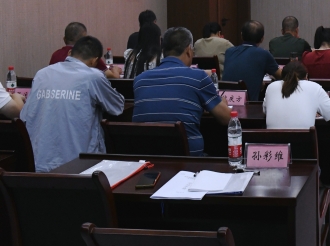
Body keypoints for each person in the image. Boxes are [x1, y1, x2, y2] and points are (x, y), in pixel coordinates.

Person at [21, 36, 125, 172]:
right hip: (80, 167)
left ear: (70, 53)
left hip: (39, 164)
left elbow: (25, 116)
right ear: (94, 60)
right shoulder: (93, 76)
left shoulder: (42, 74)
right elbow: (117, 107)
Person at [133, 27, 231, 156]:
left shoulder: (140, 80)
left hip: (147, 158)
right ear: (189, 50)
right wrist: (222, 102)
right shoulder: (198, 77)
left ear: (163, 51)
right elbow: (227, 118)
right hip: (188, 160)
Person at [263, 61, 330, 129]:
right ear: (306, 76)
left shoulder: (271, 87)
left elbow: (265, 112)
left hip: (274, 143)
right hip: (302, 143)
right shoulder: (314, 87)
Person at [223, 21, 281, 102]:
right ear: (262, 39)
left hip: (224, 102)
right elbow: (281, 76)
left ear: (241, 35)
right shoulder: (263, 54)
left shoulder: (229, 52)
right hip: (248, 105)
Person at [49, 21, 121, 79]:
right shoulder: (88, 54)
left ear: (64, 39)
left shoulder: (55, 55)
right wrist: (116, 70)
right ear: (84, 39)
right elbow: (113, 76)